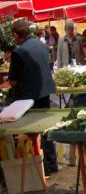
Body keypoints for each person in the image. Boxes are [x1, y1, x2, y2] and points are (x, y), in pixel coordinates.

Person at [1, 20, 57, 174]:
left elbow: (13, 81)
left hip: (28, 97)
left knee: (30, 131)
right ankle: (51, 163)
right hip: (45, 91)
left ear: (15, 35)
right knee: (45, 128)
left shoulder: (19, 52)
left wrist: (5, 84)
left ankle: (39, 167)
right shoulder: (42, 45)